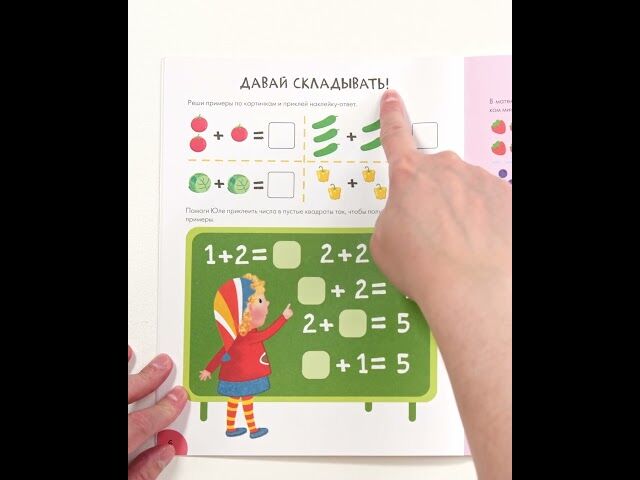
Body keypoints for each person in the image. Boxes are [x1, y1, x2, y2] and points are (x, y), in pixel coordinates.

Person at [128, 90, 512, 480]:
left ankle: (241, 424)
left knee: (243, 402)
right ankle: (236, 426)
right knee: (240, 403)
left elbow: (264, 333)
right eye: (258, 301)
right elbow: (237, 345)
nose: (264, 304)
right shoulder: (239, 336)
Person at [198, 273, 293, 439]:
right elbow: (269, 332)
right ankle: (252, 430)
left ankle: (231, 428)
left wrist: (209, 369)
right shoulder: (248, 337)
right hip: (246, 377)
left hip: (232, 378)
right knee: (247, 401)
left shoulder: (234, 338)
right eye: (261, 301)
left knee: (234, 400)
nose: (267, 303)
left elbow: (222, 352)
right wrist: (283, 317)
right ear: (246, 312)